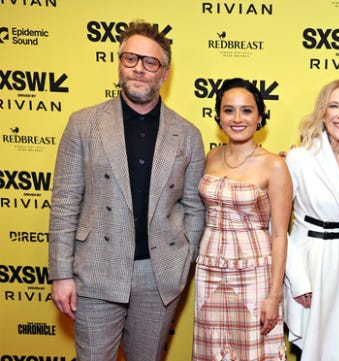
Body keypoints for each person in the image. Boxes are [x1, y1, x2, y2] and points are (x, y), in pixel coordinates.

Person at [48, 20, 206, 360]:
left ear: (164, 73)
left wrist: (182, 261)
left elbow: (195, 207)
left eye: (151, 63)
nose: (139, 69)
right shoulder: (83, 123)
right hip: (95, 268)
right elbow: (64, 202)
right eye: (131, 59)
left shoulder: (188, 134)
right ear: (120, 64)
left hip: (159, 275)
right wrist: (61, 274)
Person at [192, 78, 292, 361]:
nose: (237, 119)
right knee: (210, 351)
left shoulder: (274, 165)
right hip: (209, 270)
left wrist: (274, 296)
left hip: (254, 272)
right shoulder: (210, 157)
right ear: (218, 116)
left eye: (246, 111)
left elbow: (279, 235)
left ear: (260, 117)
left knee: (253, 353)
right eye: (229, 110)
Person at [283, 80, 339, 361]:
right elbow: (279, 224)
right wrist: (297, 279)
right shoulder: (299, 158)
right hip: (310, 258)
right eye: (334, 106)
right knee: (312, 347)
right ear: (322, 113)